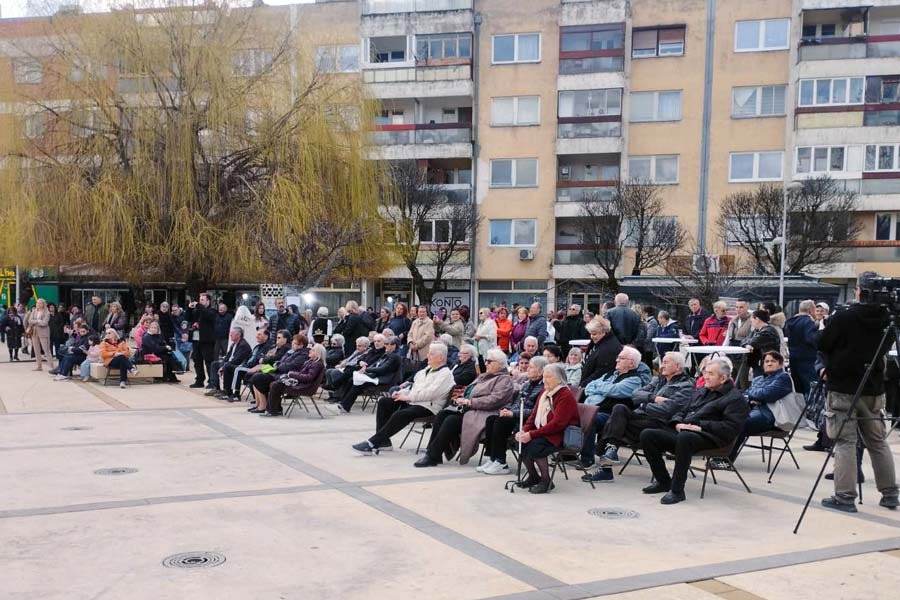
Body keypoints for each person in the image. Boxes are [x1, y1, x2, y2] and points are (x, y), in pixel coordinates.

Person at [817, 272, 899, 513]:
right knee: (877, 441)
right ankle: (890, 493)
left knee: (845, 442)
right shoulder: (888, 318)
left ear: (859, 291)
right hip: (873, 388)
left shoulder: (844, 316)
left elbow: (822, 343)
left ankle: (845, 496)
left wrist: (823, 329)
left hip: (843, 388)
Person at [640, 357, 749, 504]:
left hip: (713, 437)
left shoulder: (735, 399)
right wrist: (677, 423)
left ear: (723, 378)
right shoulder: (703, 390)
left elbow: (730, 428)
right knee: (648, 434)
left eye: (710, 374)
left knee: (685, 437)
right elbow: (683, 409)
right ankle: (663, 481)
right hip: (688, 431)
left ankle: (677, 491)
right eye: (705, 373)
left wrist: (700, 426)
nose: (706, 377)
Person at [585, 352, 695, 483]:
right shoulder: (658, 380)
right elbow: (635, 394)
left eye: (666, 362)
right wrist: (654, 398)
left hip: (661, 423)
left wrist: (644, 405)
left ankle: (606, 468)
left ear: (677, 367)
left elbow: (668, 409)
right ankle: (610, 453)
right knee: (619, 409)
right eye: (662, 362)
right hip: (642, 417)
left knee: (615, 423)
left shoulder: (686, 385)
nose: (662, 366)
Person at [415, 348, 515, 468]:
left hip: (485, 413)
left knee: (451, 421)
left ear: (499, 364)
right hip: (470, 410)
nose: (486, 364)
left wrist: (470, 402)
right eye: (486, 361)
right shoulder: (484, 376)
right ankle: (432, 452)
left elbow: (494, 400)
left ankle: (433, 456)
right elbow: (470, 391)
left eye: (489, 361)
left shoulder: (504, 379)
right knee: (442, 414)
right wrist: (460, 398)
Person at [352, 343, 456, 456]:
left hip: (429, 407)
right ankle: (384, 443)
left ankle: (372, 443)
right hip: (414, 402)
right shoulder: (427, 370)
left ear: (440, 358)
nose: (428, 356)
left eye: (431, 354)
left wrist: (407, 397)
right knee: (384, 402)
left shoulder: (445, 374)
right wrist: (401, 393)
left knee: (402, 414)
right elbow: (413, 387)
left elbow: (430, 394)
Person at [514, 362, 580, 494]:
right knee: (519, 441)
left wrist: (531, 434)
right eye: (544, 376)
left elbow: (558, 424)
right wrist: (524, 430)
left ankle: (546, 481)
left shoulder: (565, 395)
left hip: (560, 434)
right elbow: (533, 416)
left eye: (548, 377)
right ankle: (533, 476)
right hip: (545, 431)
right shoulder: (545, 392)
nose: (544, 380)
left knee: (536, 445)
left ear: (559, 379)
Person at [480, 356, 547, 475]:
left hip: (529, 420)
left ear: (541, 371)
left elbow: (535, 411)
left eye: (531, 367)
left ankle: (501, 462)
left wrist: (512, 413)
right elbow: (517, 402)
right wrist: (508, 411)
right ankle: (493, 457)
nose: (528, 369)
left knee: (502, 423)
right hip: (517, 415)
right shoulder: (527, 384)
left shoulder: (544, 388)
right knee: (491, 419)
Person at [580, 347, 644, 467]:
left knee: (590, 419)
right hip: (592, 408)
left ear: (631, 363)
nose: (617, 360)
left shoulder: (634, 380)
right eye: (618, 357)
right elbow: (589, 386)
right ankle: (568, 452)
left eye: (621, 358)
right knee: (570, 414)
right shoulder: (610, 374)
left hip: (612, 416)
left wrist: (599, 388)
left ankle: (587, 459)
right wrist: (604, 389)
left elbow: (614, 390)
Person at [728, 351, 793, 463]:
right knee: (728, 418)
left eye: (773, 361)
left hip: (772, 417)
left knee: (741, 422)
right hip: (752, 411)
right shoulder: (758, 379)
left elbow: (768, 394)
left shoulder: (783, 378)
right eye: (766, 361)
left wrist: (755, 396)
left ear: (781, 364)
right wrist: (753, 397)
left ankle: (727, 460)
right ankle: (716, 452)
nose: (769, 363)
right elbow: (745, 394)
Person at [337, 336, 402, 413]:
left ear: (393, 345)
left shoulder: (394, 356)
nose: (385, 346)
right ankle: (343, 402)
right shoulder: (389, 353)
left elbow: (383, 369)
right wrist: (366, 368)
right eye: (385, 344)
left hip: (384, 379)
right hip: (377, 375)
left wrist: (367, 369)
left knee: (359, 384)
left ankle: (345, 405)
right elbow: (376, 364)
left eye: (387, 344)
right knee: (352, 380)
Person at [248, 334, 309, 414]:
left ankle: (264, 406)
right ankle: (260, 405)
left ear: (301, 345)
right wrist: (277, 365)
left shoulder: (303, 355)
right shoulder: (291, 352)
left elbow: (291, 366)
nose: (292, 345)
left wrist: (277, 366)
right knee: (256, 376)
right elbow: (281, 361)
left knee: (258, 378)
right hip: (280, 373)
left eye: (294, 343)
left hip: (287, 376)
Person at [264, 343, 327, 417]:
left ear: (318, 354)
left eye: (313, 350)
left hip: (305, 387)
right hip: (301, 383)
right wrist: (293, 374)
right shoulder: (311, 362)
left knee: (276, 385)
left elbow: (308, 377)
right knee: (276, 384)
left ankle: (272, 411)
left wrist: (292, 374)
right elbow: (302, 374)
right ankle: (275, 410)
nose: (310, 351)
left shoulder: (317, 364)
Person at [221, 329, 272, 401]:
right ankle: (227, 392)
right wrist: (243, 364)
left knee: (238, 369)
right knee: (228, 367)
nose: (257, 336)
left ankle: (236, 394)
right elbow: (248, 357)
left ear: (266, 336)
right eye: (257, 334)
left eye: (259, 334)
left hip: (255, 368)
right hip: (247, 366)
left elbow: (262, 360)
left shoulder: (268, 347)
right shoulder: (257, 346)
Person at [783, 300, 819, 395]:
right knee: (810, 387)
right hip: (807, 358)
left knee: (798, 387)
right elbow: (811, 339)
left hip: (793, 357)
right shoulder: (808, 322)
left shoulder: (790, 322)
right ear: (811, 310)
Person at [206, 328, 252, 396]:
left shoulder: (243, 345)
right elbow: (227, 357)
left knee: (227, 366)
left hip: (239, 366)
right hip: (230, 364)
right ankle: (215, 387)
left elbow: (237, 360)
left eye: (232, 333)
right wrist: (222, 365)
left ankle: (227, 391)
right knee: (214, 364)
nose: (230, 335)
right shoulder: (233, 344)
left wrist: (224, 366)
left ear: (238, 335)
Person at [186, 294, 218, 388]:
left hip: (207, 340)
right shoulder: (198, 310)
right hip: (196, 339)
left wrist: (199, 306)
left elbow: (207, 315)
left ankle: (212, 381)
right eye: (200, 300)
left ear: (208, 301)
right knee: (197, 360)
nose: (200, 302)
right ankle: (199, 380)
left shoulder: (212, 311)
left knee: (209, 361)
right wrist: (189, 308)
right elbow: (188, 318)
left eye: (203, 300)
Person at [580, 317, 622, 386]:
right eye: (590, 334)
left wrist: (583, 384)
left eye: (594, 334)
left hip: (595, 385)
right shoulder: (599, 341)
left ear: (604, 332)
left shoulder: (609, 348)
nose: (591, 336)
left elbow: (600, 372)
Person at [743, 310, 780, 379]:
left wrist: (748, 344)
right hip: (761, 365)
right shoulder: (757, 331)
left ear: (757, 319)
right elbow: (744, 340)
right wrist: (747, 344)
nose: (751, 323)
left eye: (751, 320)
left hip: (768, 366)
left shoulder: (768, 332)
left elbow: (753, 342)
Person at [27, 298, 53, 371]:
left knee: (46, 350)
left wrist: (35, 322)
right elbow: (30, 321)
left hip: (43, 332)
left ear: (43, 304)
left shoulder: (47, 312)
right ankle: (39, 366)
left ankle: (51, 366)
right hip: (34, 332)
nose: (38, 304)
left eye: (40, 303)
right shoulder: (34, 311)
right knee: (36, 350)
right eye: (37, 303)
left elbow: (44, 323)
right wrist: (38, 321)